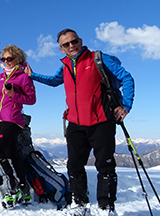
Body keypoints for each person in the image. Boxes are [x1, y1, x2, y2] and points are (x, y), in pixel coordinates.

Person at [24, 29, 135, 212]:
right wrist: (32, 75)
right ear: (61, 49)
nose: (71, 46)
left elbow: (126, 78)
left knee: (105, 166)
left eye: (74, 41)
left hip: (101, 122)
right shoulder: (66, 64)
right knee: (74, 166)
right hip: (75, 123)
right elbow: (54, 81)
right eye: (66, 44)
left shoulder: (98, 58)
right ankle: (80, 204)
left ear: (80, 41)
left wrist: (126, 106)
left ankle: (106, 208)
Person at [0, 44, 36, 209]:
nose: (6, 61)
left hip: (13, 120)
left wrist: (14, 94)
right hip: (1, 120)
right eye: (4, 59)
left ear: (18, 59)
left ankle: (11, 188)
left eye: (10, 59)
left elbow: (31, 99)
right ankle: (24, 190)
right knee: (12, 155)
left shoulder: (23, 78)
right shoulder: (1, 77)